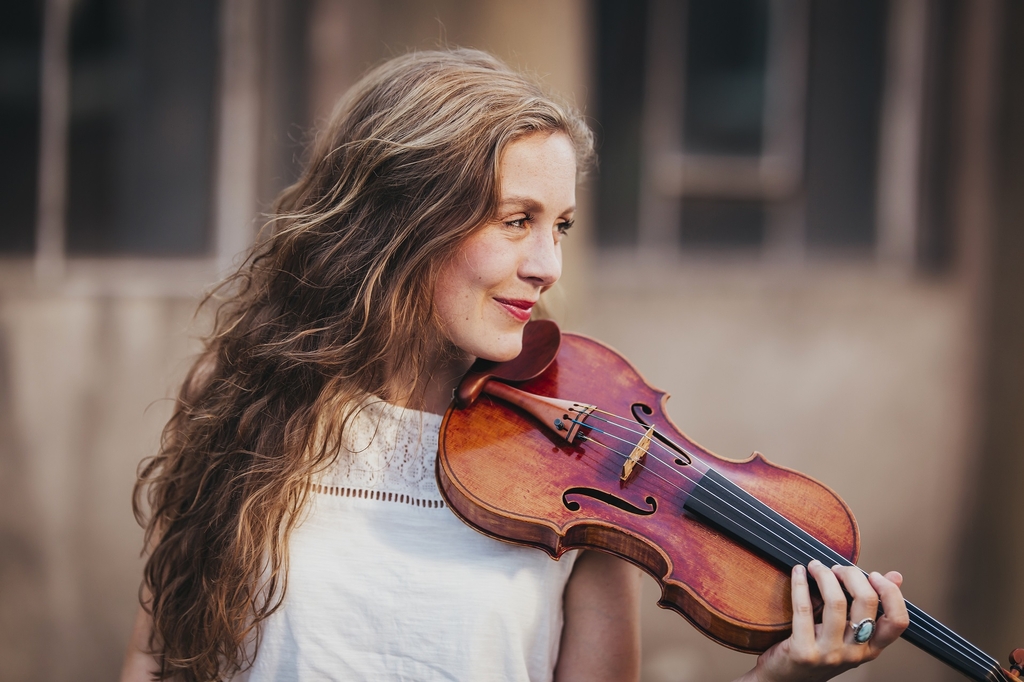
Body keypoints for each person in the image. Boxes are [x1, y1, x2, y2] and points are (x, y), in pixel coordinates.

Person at [121, 49, 909, 682]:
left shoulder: (575, 470)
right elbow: (158, 661)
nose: (547, 265)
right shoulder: (246, 400)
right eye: (515, 220)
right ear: (399, 221)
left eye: (560, 225)